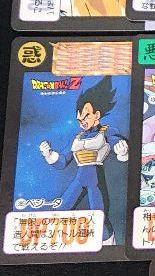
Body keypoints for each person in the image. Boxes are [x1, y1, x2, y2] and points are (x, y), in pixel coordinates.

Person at [39, 77, 128, 243]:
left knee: (99, 217)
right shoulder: (77, 137)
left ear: (97, 115)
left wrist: (121, 148)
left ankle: (110, 247)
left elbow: (116, 140)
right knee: (61, 210)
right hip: (79, 179)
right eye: (80, 120)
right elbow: (63, 161)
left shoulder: (106, 131)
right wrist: (48, 154)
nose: (83, 123)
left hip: (95, 179)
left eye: (86, 117)